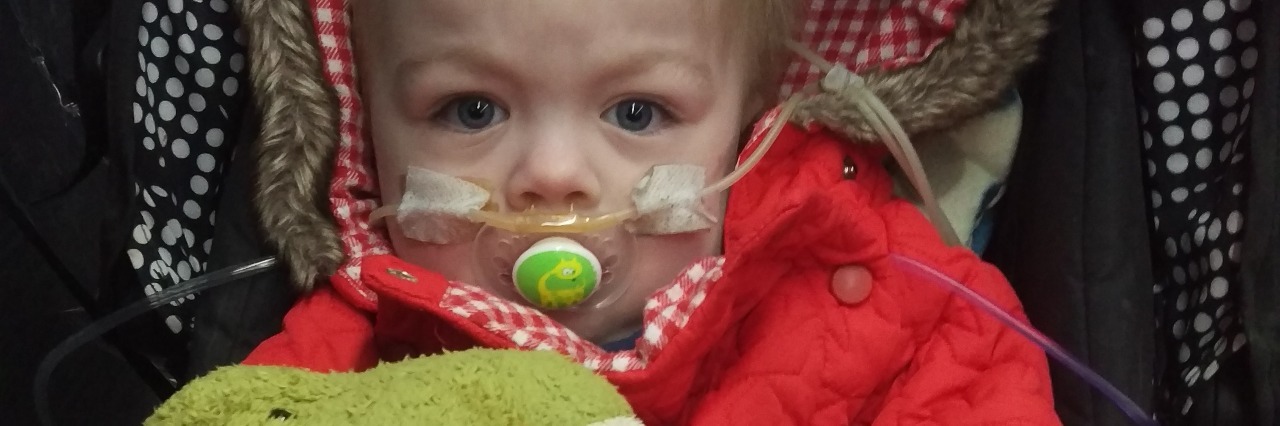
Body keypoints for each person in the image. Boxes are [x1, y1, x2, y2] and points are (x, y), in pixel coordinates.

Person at [234, 0, 1061, 423]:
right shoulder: (334, 368)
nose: (553, 177)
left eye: (636, 113)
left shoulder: (900, 319)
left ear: (747, 126)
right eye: (470, 111)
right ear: (362, 132)